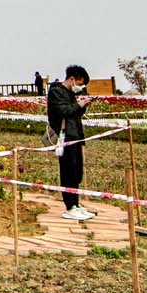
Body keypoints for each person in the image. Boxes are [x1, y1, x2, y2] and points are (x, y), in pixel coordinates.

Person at [47, 65, 93, 220]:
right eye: (79, 83)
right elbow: (63, 112)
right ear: (72, 79)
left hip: (76, 135)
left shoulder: (70, 93)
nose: (80, 87)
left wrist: (83, 106)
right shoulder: (55, 91)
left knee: (76, 172)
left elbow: (74, 113)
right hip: (64, 137)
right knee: (67, 172)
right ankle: (69, 206)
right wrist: (77, 105)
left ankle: (76, 204)